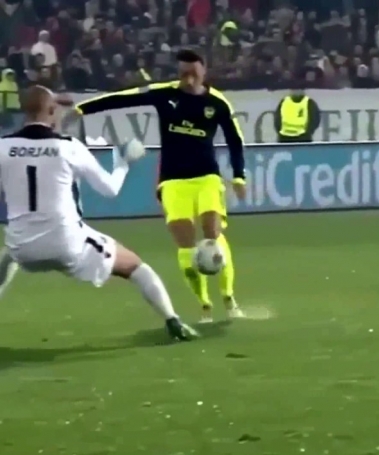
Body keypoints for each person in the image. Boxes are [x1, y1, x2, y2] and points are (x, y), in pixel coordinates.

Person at [0, 85, 198, 341]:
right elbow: (109, 189)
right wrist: (123, 163)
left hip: (24, 247)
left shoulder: (3, 147)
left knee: (8, 256)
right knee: (137, 268)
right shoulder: (69, 147)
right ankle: (173, 321)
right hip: (67, 243)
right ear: (51, 110)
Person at [66, 50, 246, 323]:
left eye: (192, 73)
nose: (187, 78)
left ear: (203, 71)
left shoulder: (217, 103)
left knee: (212, 234)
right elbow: (124, 98)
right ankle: (205, 304)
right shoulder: (165, 94)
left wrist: (239, 176)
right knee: (185, 244)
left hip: (207, 177)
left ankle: (228, 297)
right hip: (172, 180)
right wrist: (82, 109)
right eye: (183, 73)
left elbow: (235, 140)